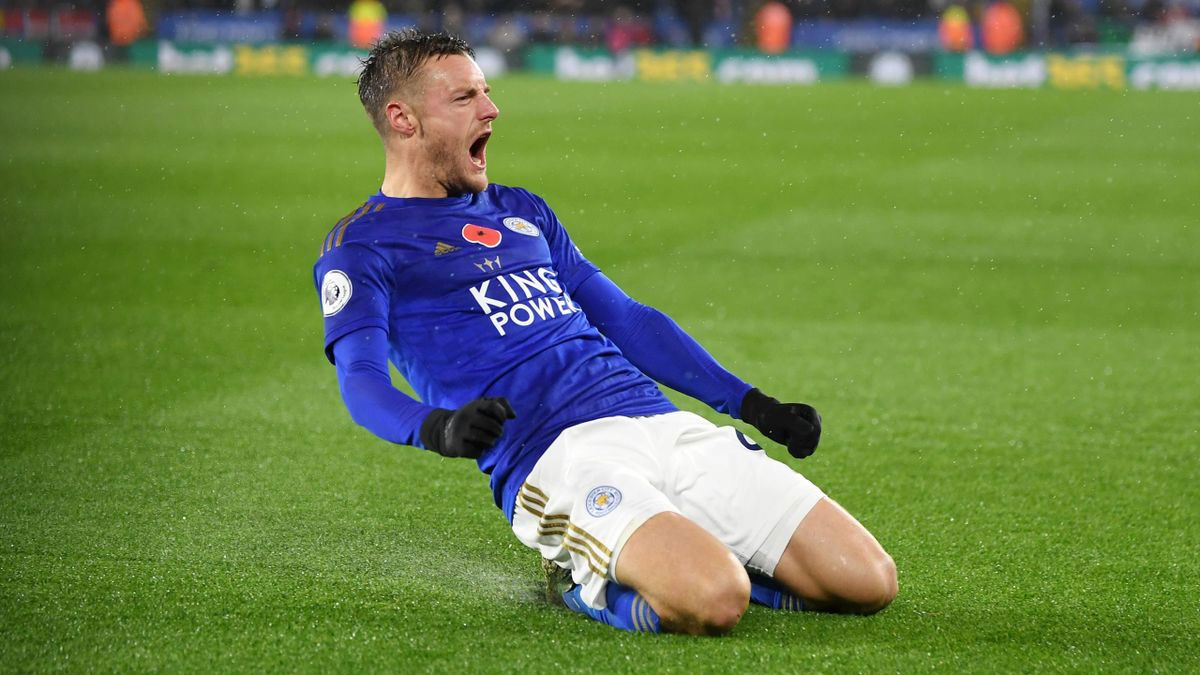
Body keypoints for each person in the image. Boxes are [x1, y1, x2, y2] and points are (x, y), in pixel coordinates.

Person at [313, 29, 897, 636]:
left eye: (486, 91)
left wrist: (751, 403)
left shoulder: (522, 210)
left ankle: (683, 554)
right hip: (558, 455)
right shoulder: (362, 247)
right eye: (465, 98)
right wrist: (437, 427)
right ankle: (580, 583)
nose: (492, 109)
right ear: (402, 119)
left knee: (869, 582)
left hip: (658, 422)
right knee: (716, 601)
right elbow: (361, 384)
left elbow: (625, 319)